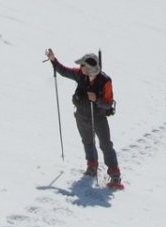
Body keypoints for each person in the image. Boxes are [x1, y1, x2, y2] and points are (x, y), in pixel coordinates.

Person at [46, 48, 122, 187]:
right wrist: (53, 60)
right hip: (81, 115)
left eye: (83, 65)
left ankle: (114, 174)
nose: (80, 67)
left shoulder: (105, 81)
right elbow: (63, 71)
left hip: (98, 117)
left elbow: (108, 103)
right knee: (87, 141)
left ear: (90, 67)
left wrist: (97, 99)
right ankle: (92, 166)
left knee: (106, 145)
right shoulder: (79, 74)